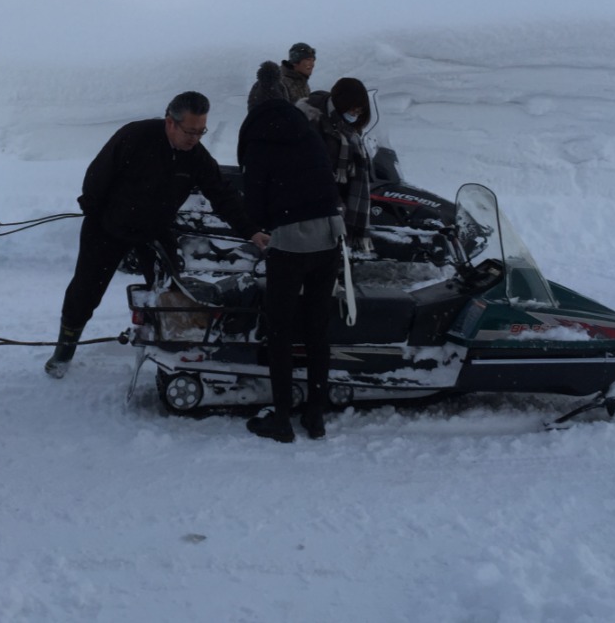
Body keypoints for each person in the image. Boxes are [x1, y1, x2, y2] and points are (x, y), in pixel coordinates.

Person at [46, 91, 270, 379]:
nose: (195, 138)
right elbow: (96, 178)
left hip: (154, 230)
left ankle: (176, 351)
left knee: (173, 290)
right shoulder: (135, 137)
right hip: (107, 227)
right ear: (170, 123)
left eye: (201, 131)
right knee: (84, 292)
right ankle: (63, 351)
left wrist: (251, 231)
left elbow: (222, 194)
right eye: (190, 131)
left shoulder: (196, 157)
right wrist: (100, 216)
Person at [237, 96, 345, 443]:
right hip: (329, 236)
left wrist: (262, 225)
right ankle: (315, 414)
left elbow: (253, 204)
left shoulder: (258, 144)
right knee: (317, 328)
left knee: (280, 330)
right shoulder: (308, 133)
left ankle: (282, 418)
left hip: (290, 243)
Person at [297, 76, 373, 253]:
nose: (355, 116)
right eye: (353, 111)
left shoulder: (344, 125)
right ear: (342, 103)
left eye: (359, 112)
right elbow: (313, 168)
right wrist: (335, 203)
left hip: (337, 198)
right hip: (318, 200)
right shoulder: (313, 122)